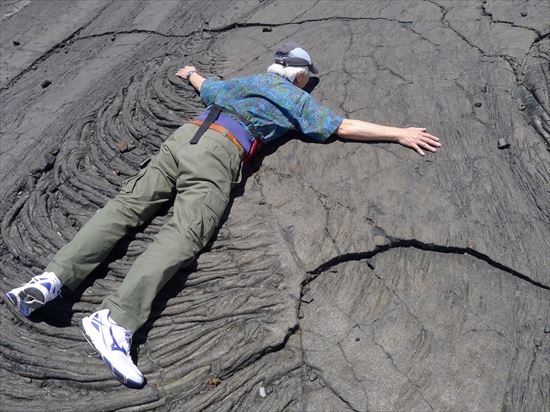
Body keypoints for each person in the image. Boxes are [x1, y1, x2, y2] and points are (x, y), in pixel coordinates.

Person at [6, 41, 440, 388]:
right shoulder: (292, 96)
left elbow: (205, 85)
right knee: (183, 235)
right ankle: (114, 320)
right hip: (219, 154)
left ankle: (52, 279)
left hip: (183, 139)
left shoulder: (244, 81)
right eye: (309, 76)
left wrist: (190, 73)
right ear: (299, 74)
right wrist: (399, 132)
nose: (309, 83)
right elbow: (341, 126)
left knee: (123, 210)